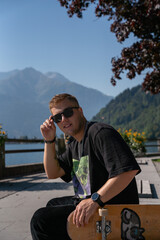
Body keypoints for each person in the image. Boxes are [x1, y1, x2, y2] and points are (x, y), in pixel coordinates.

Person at [30, 93, 141, 240]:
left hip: (113, 210)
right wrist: (49, 140)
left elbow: (127, 171)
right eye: (58, 118)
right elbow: (52, 172)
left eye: (68, 113)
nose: (64, 120)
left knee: (40, 220)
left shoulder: (100, 133)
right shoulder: (74, 144)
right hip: (94, 204)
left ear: (80, 111)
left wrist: (94, 200)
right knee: (52, 205)